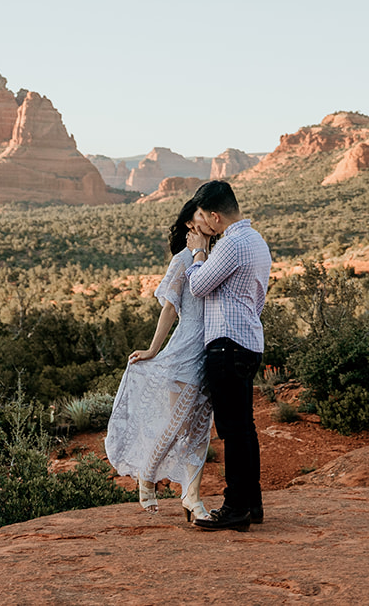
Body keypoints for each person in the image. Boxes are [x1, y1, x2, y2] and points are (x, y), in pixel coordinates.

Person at [103, 195, 216, 522]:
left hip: (212, 350)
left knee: (200, 430)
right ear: (189, 224)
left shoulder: (217, 256)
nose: (208, 219)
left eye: (210, 214)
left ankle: (192, 500)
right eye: (199, 215)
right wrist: (154, 350)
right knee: (177, 423)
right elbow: (169, 308)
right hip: (185, 349)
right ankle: (148, 476)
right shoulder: (183, 260)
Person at [185, 179, 271, 531]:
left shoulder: (231, 245)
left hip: (227, 345)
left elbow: (198, 286)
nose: (202, 223)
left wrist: (198, 254)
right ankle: (252, 503)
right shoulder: (256, 241)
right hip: (249, 341)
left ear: (216, 216)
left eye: (203, 216)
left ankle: (236, 508)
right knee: (245, 430)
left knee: (233, 432)